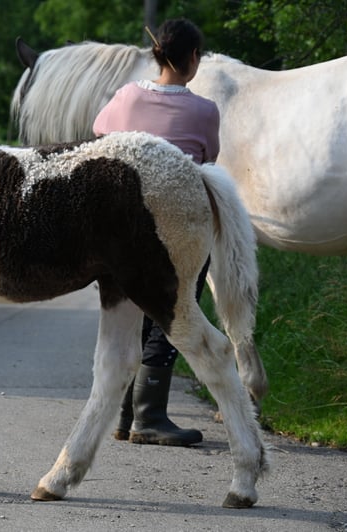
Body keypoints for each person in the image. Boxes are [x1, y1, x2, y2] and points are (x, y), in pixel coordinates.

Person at [92, 18, 219, 446]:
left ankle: (123, 415)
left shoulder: (126, 96)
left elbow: (100, 135)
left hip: (122, 229)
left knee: (128, 317)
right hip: (175, 230)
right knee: (171, 314)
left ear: (156, 54)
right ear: (194, 58)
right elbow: (208, 160)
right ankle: (148, 415)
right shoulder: (205, 111)